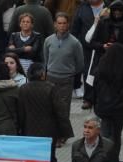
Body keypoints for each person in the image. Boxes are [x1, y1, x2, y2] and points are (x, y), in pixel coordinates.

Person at [43, 13, 83, 144]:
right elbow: (45, 59)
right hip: (51, 78)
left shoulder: (75, 43)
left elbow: (80, 63)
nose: (61, 26)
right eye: (59, 23)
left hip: (66, 79)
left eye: (64, 23)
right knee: (50, 107)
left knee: (63, 109)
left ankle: (62, 135)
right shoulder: (48, 40)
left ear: (68, 24)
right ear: (55, 24)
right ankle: (52, 133)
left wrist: (70, 73)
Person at [93, 42, 123, 162]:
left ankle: (103, 158)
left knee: (105, 133)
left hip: (103, 107)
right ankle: (114, 159)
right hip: (119, 108)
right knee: (116, 135)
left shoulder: (101, 67)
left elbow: (95, 86)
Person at [17, 65, 64, 162]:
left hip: (29, 130)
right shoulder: (51, 88)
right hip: (49, 130)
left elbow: (20, 112)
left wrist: (20, 129)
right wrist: (63, 132)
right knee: (49, 157)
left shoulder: (23, 89)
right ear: (43, 75)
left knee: (32, 157)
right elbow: (60, 111)